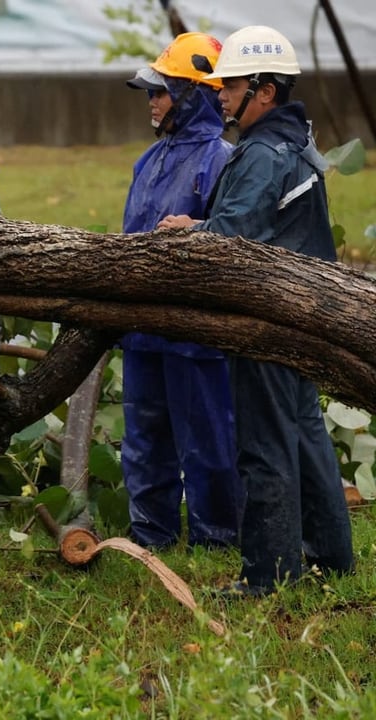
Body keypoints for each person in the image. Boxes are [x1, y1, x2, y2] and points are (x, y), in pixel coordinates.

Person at [158, 26, 355, 595]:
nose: (219, 95)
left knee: (264, 446)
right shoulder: (295, 143)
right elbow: (261, 224)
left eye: (232, 85)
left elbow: (229, 244)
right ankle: (331, 558)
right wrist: (203, 224)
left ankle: (268, 577)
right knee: (304, 432)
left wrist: (191, 237)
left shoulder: (262, 153)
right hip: (306, 315)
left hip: (268, 319)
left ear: (264, 91)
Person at [120, 32, 243, 551]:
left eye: (161, 90)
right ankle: (152, 534)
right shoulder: (146, 163)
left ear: (192, 94)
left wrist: (195, 229)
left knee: (208, 438)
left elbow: (237, 240)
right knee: (144, 437)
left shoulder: (224, 160)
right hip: (144, 330)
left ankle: (218, 537)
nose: (152, 100)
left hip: (198, 335)